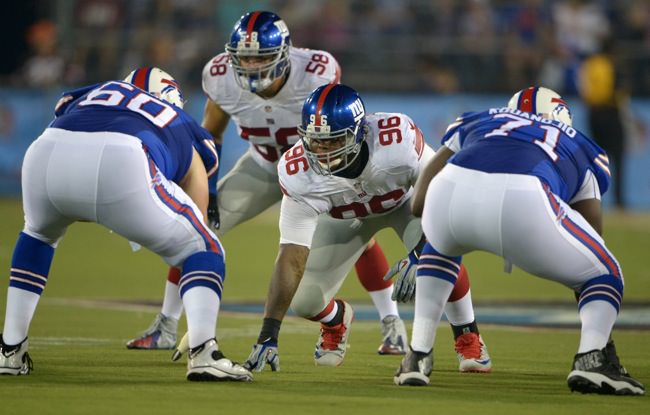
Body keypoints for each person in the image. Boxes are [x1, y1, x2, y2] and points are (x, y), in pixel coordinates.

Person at [127, 11, 408, 356]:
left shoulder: (316, 71)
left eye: (259, 57)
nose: (250, 65)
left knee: (357, 235)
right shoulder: (221, 77)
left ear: (283, 54)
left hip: (318, 171)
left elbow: (334, 121)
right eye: (243, 57)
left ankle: (391, 322)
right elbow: (210, 134)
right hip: (263, 164)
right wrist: (209, 187)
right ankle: (166, 324)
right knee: (194, 226)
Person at [0, 67, 252, 382]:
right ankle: (203, 351)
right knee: (204, 246)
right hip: (123, 160)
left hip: (46, 150)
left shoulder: (98, 90)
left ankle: (10, 349)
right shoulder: (180, 122)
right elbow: (197, 205)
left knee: (38, 234)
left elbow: (63, 106)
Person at [395, 86, 645, 395]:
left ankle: (417, 355)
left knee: (441, 245)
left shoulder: (480, 119)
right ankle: (592, 359)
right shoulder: (580, 143)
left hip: (448, 189)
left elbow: (419, 203)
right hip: (524, 196)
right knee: (606, 271)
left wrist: (437, 227)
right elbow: (593, 237)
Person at [241, 83, 491, 371]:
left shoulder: (397, 140)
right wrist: (268, 334)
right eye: (315, 140)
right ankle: (336, 322)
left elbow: (442, 199)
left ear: (359, 133)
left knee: (439, 255)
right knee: (306, 301)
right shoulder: (297, 171)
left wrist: (421, 251)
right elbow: (291, 256)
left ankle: (468, 334)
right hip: (344, 219)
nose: (321, 151)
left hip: (408, 206)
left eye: (333, 141)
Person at [578, 37, 627, 209]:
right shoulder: (611, 65)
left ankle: (591, 200)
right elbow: (617, 92)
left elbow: (584, 90)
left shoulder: (589, 64)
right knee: (618, 156)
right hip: (610, 112)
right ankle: (619, 201)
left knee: (596, 158)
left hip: (593, 114)